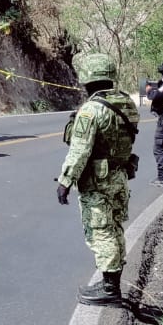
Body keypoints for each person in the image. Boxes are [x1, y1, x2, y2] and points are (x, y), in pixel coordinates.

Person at [55, 53, 139, 306]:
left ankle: (110, 289)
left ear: (86, 78)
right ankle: (111, 282)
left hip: (98, 180)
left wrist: (65, 181)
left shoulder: (91, 110)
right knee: (114, 228)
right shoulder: (126, 103)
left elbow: (79, 150)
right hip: (120, 175)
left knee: (101, 231)